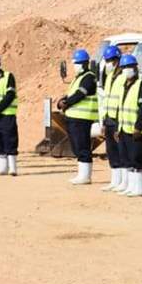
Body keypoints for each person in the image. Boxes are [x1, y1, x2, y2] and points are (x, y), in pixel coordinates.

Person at [59, 48, 98, 185]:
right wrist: (61, 101)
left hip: (83, 118)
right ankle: (82, 174)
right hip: (74, 117)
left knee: (83, 147)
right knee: (77, 147)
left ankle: (85, 176)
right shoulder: (78, 78)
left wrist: (66, 103)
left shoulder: (89, 77)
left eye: (77, 63)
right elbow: (71, 94)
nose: (75, 66)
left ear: (84, 63)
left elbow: (80, 94)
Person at [117, 54, 142, 197]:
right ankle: (132, 186)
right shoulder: (124, 86)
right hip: (124, 128)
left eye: (129, 67)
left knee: (137, 158)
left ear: (135, 68)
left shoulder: (141, 85)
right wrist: (119, 128)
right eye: (124, 67)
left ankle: (140, 188)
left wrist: (138, 127)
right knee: (128, 159)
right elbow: (121, 108)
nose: (127, 70)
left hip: (136, 130)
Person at [97, 46, 127, 193]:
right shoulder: (109, 77)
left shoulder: (124, 77)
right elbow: (106, 99)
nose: (109, 63)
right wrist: (103, 121)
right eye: (107, 60)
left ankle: (124, 182)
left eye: (111, 60)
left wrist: (120, 122)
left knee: (122, 151)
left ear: (118, 60)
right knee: (111, 151)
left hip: (118, 119)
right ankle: (115, 181)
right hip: (109, 118)